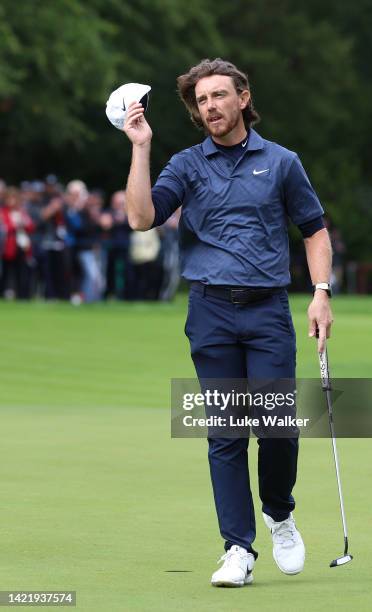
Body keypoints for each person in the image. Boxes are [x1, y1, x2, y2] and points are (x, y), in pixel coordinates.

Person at [124, 58, 333, 587]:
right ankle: (238, 547)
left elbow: (314, 230)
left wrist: (320, 293)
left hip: (267, 311)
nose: (210, 106)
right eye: (201, 100)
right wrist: (141, 146)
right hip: (211, 310)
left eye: (219, 95)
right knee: (225, 433)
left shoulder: (283, 163)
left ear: (242, 97)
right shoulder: (186, 165)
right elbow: (141, 218)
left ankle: (279, 512)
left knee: (278, 428)